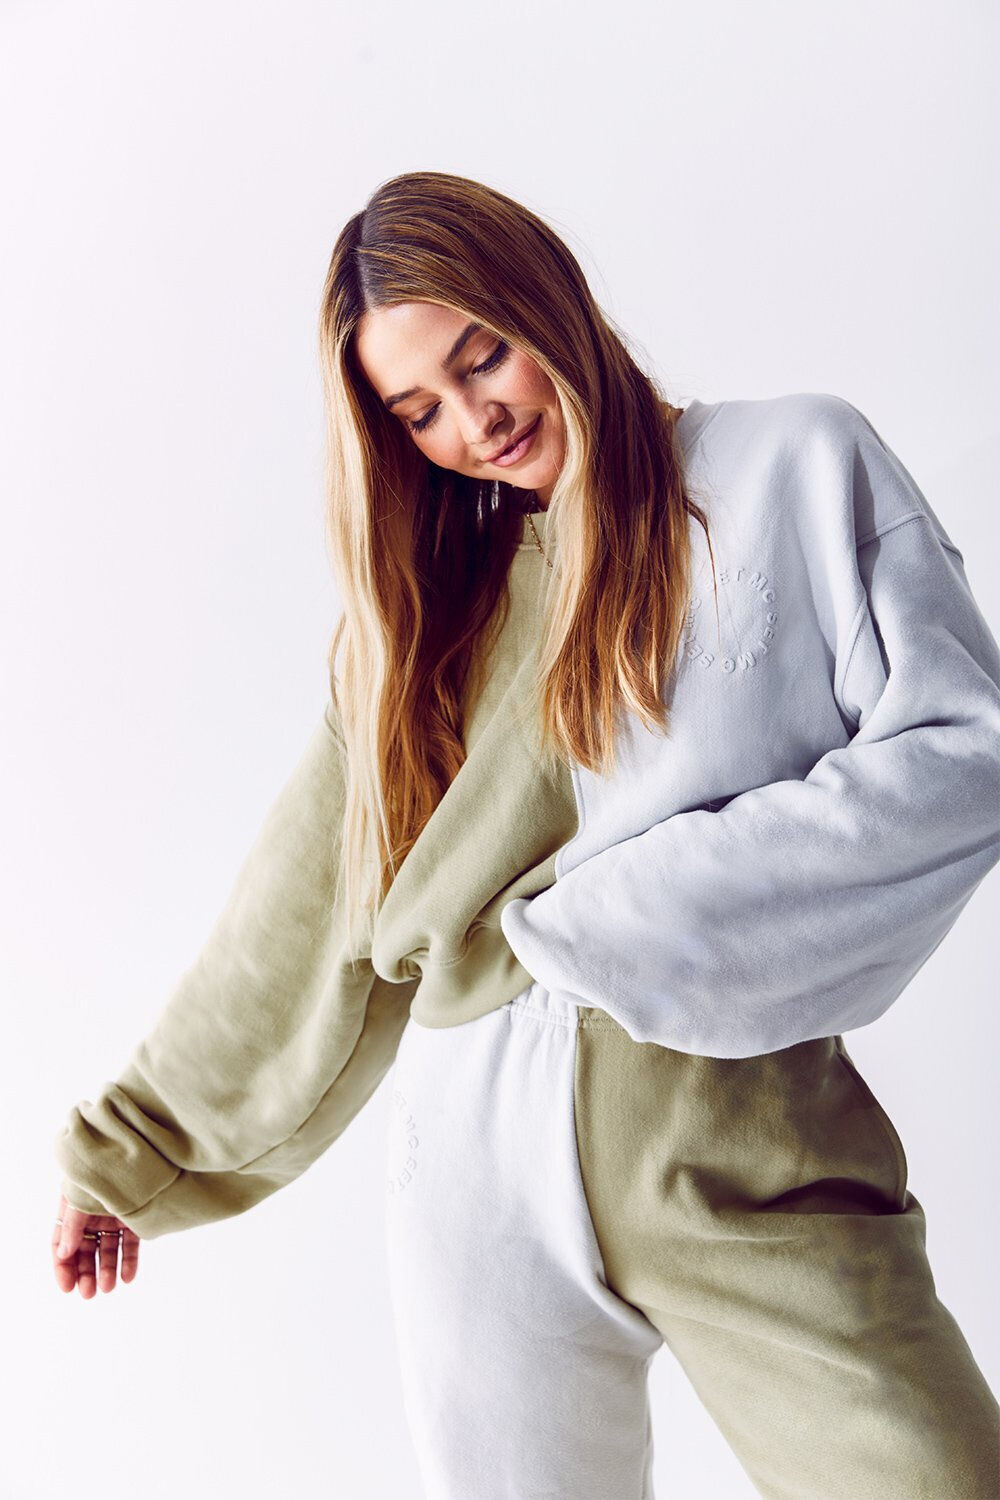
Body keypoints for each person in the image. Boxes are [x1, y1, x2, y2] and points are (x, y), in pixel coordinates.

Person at [52, 169, 1000, 1498]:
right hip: (476, 1157)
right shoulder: (428, 618)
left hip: (745, 1133)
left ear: (542, 294)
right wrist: (131, 1152)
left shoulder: (792, 466)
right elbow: (303, 910)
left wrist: (634, 913)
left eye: (481, 356)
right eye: (417, 412)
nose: (473, 421)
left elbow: (964, 756)